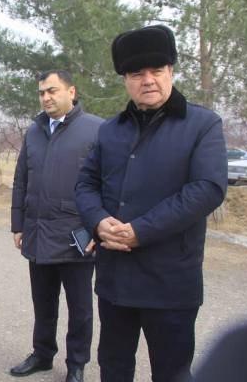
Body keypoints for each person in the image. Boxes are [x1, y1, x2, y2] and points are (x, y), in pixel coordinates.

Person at [75, 25, 228, 382]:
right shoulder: (110, 130)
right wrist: (98, 221)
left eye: (156, 70)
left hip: (170, 280)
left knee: (172, 373)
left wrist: (140, 231)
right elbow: (86, 183)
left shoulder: (202, 124)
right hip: (115, 279)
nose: (148, 80)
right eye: (136, 74)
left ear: (170, 71)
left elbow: (206, 188)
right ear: (125, 80)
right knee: (114, 368)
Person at [10, 70, 103, 382]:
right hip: (37, 232)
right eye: (42, 93)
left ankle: (76, 364)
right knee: (43, 303)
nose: (46, 97)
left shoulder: (96, 129)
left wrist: (98, 227)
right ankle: (42, 354)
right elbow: (21, 179)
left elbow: (108, 183)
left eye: (52, 90)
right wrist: (18, 224)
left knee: (80, 308)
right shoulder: (34, 131)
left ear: (71, 91)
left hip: (77, 236)